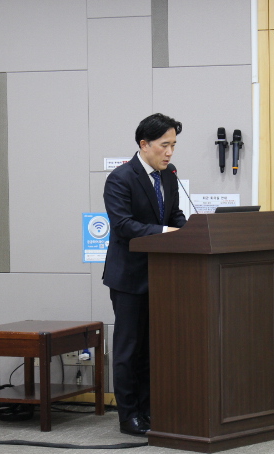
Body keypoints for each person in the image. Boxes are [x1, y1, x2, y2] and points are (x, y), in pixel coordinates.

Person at [103, 113, 187, 436]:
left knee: (153, 348)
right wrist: (166, 232)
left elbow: (175, 216)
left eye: (173, 145)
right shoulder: (120, 179)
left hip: (161, 277)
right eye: (164, 145)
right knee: (129, 349)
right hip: (129, 278)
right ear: (144, 144)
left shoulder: (169, 176)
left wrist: (194, 232)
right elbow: (123, 225)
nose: (170, 152)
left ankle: (150, 410)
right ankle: (129, 416)